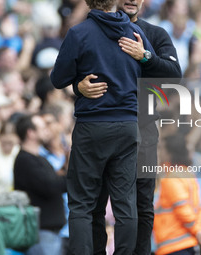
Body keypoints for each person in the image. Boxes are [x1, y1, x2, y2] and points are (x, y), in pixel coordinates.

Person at [50, 0, 156, 253]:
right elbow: (153, 71)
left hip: (93, 125)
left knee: (82, 204)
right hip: (129, 125)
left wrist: (77, 85)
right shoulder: (135, 32)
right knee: (125, 203)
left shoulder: (79, 33)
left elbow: (58, 78)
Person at [77, 0, 181, 253]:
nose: (132, 0)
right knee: (94, 204)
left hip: (143, 131)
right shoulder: (91, 30)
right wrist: (77, 86)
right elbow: (72, 71)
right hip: (100, 127)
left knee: (142, 204)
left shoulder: (155, 34)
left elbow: (174, 74)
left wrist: (144, 56)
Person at [13, 114, 67, 255]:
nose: (46, 130)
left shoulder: (39, 159)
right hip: (41, 232)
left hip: (51, 233)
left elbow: (54, 180)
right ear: (30, 133)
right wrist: (72, 178)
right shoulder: (25, 160)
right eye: (42, 127)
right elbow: (50, 186)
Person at [153, 134, 201, 255]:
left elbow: (183, 209)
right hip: (185, 243)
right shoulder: (187, 174)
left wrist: (197, 232)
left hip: (174, 245)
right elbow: (198, 208)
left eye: (161, 148)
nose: (159, 152)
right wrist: (199, 231)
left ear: (169, 153)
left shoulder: (172, 178)